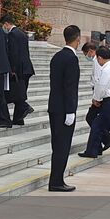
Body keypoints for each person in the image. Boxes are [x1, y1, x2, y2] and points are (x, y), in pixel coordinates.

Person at [46, 25, 82, 191]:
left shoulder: (57, 56)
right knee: (62, 146)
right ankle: (56, 182)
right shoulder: (71, 58)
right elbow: (69, 86)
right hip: (63, 109)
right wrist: (70, 110)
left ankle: (56, 179)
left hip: (54, 107)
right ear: (78, 39)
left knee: (57, 145)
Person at [81, 42, 110, 152]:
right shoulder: (101, 61)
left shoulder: (97, 61)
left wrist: (96, 98)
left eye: (86, 53)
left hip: (100, 95)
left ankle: (106, 138)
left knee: (91, 118)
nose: (87, 56)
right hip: (102, 94)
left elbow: (98, 81)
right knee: (95, 120)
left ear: (91, 51)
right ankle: (98, 146)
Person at [2, 13, 35, 125]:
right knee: (20, 91)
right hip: (26, 67)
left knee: (17, 92)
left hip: (19, 69)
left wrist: (12, 69)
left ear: (6, 24)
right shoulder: (21, 33)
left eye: (3, 25)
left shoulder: (12, 34)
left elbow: (13, 53)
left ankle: (25, 107)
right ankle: (18, 119)